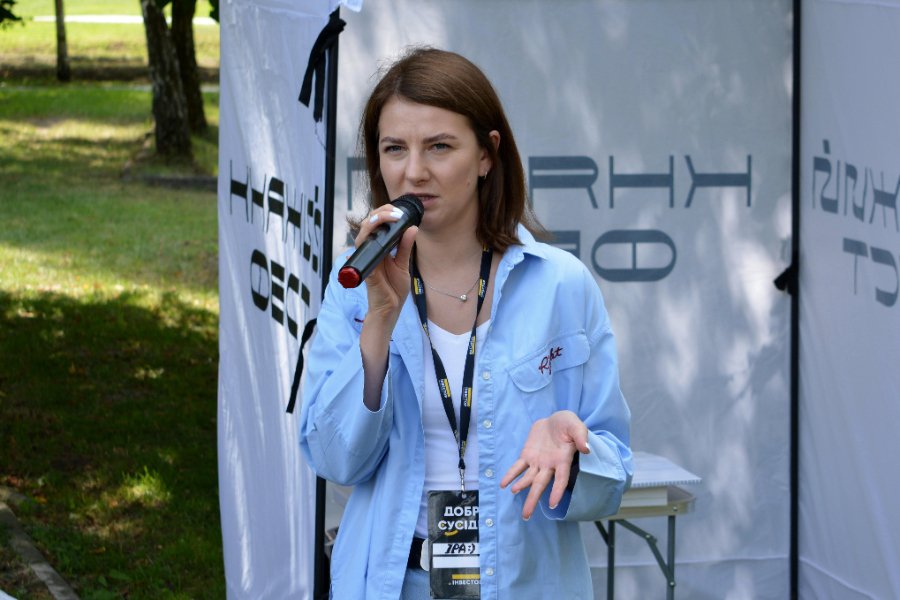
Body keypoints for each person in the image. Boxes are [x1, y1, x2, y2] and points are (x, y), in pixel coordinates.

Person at [300, 47, 632, 600]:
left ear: (486, 154)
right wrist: (380, 321)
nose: (414, 171)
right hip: (392, 582)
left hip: (524, 585)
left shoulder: (560, 285)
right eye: (394, 148)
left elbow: (614, 475)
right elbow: (336, 462)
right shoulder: (354, 282)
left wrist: (571, 453)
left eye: (439, 146)